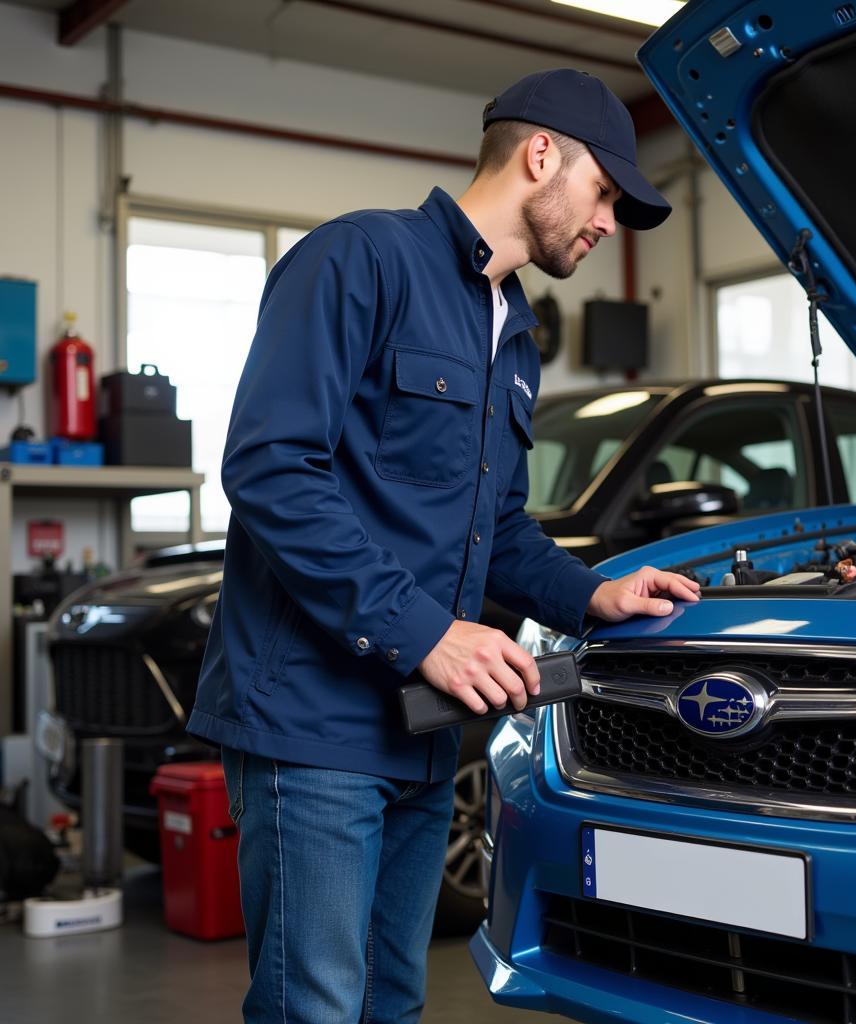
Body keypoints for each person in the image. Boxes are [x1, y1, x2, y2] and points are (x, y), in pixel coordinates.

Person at [187, 68, 701, 1024]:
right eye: (604, 193)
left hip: (418, 733)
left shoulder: (517, 331)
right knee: (318, 1007)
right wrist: (427, 633)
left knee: (394, 1002)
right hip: (313, 723)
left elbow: (495, 527)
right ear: (540, 155)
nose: (608, 223)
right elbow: (269, 467)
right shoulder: (359, 259)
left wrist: (594, 594)